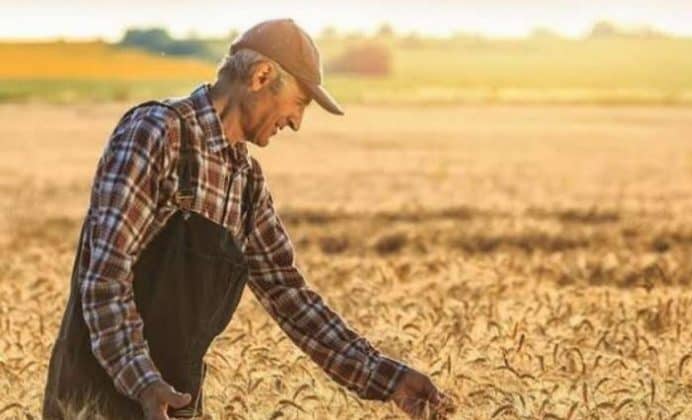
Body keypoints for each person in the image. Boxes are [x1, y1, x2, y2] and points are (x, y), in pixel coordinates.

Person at [42, 18, 454, 419]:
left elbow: (290, 295)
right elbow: (105, 279)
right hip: (96, 402)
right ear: (260, 76)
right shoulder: (156, 133)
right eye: (300, 103)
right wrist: (144, 383)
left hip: (172, 403)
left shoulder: (246, 183)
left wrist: (389, 379)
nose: (296, 122)